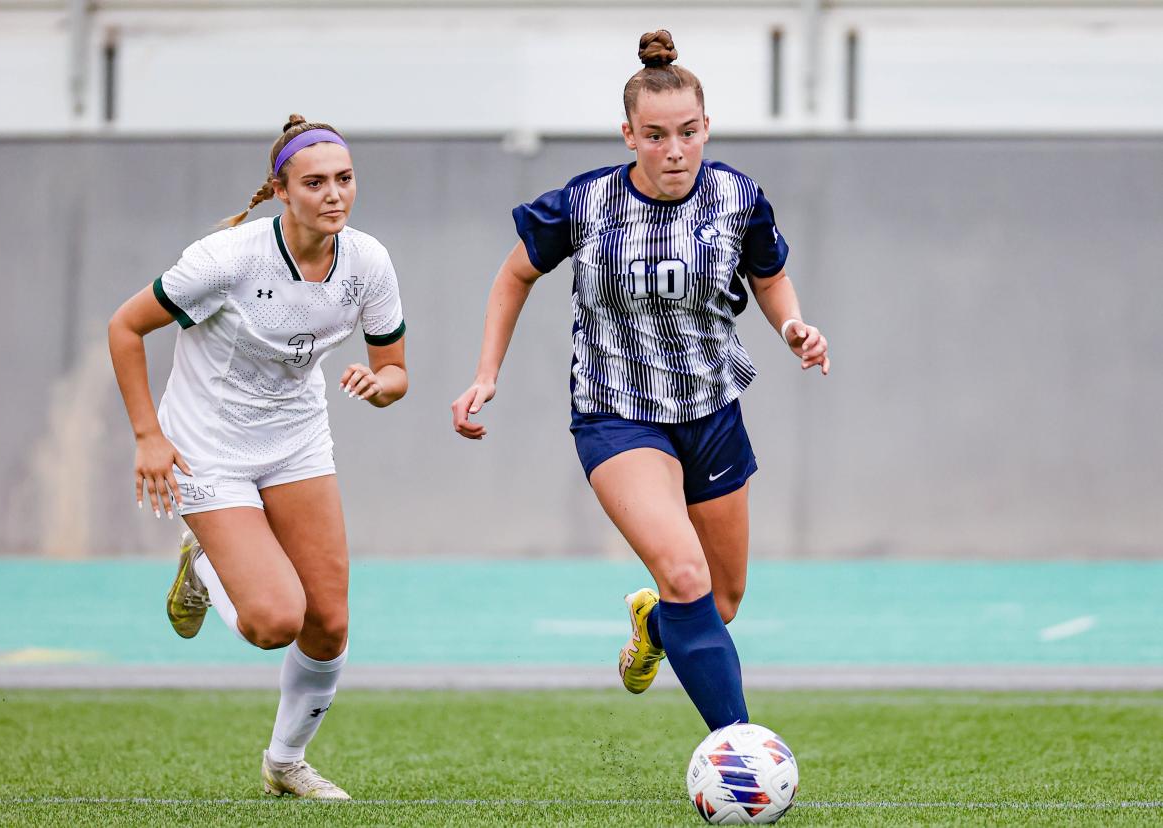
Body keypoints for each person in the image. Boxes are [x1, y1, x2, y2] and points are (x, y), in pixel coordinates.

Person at [451, 31, 829, 732]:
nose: (675, 150)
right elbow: (513, 276)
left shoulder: (739, 198)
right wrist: (485, 375)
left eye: (688, 132)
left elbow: (769, 276)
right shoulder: (585, 204)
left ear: (707, 127)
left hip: (712, 412)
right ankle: (737, 751)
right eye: (656, 135)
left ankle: (653, 627)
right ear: (629, 135)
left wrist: (794, 326)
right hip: (617, 415)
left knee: (719, 600)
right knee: (686, 574)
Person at [108, 114, 407, 799]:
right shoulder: (226, 260)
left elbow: (395, 370)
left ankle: (284, 764)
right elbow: (125, 327)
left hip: (297, 441)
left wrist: (379, 384)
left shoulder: (367, 261)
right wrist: (148, 436)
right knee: (274, 622)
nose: (334, 194)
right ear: (280, 190)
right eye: (315, 182)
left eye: (345, 178)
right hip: (208, 449)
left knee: (328, 625)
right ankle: (202, 562)